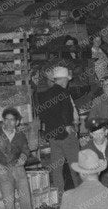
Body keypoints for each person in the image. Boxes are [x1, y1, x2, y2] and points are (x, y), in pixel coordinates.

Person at [34, 65, 80, 200]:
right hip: (66, 135)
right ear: (64, 80)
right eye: (67, 80)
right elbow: (67, 112)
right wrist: (68, 126)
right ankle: (80, 195)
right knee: (75, 165)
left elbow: (42, 115)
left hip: (53, 136)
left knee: (57, 168)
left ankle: (60, 198)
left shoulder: (43, 94)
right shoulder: (64, 93)